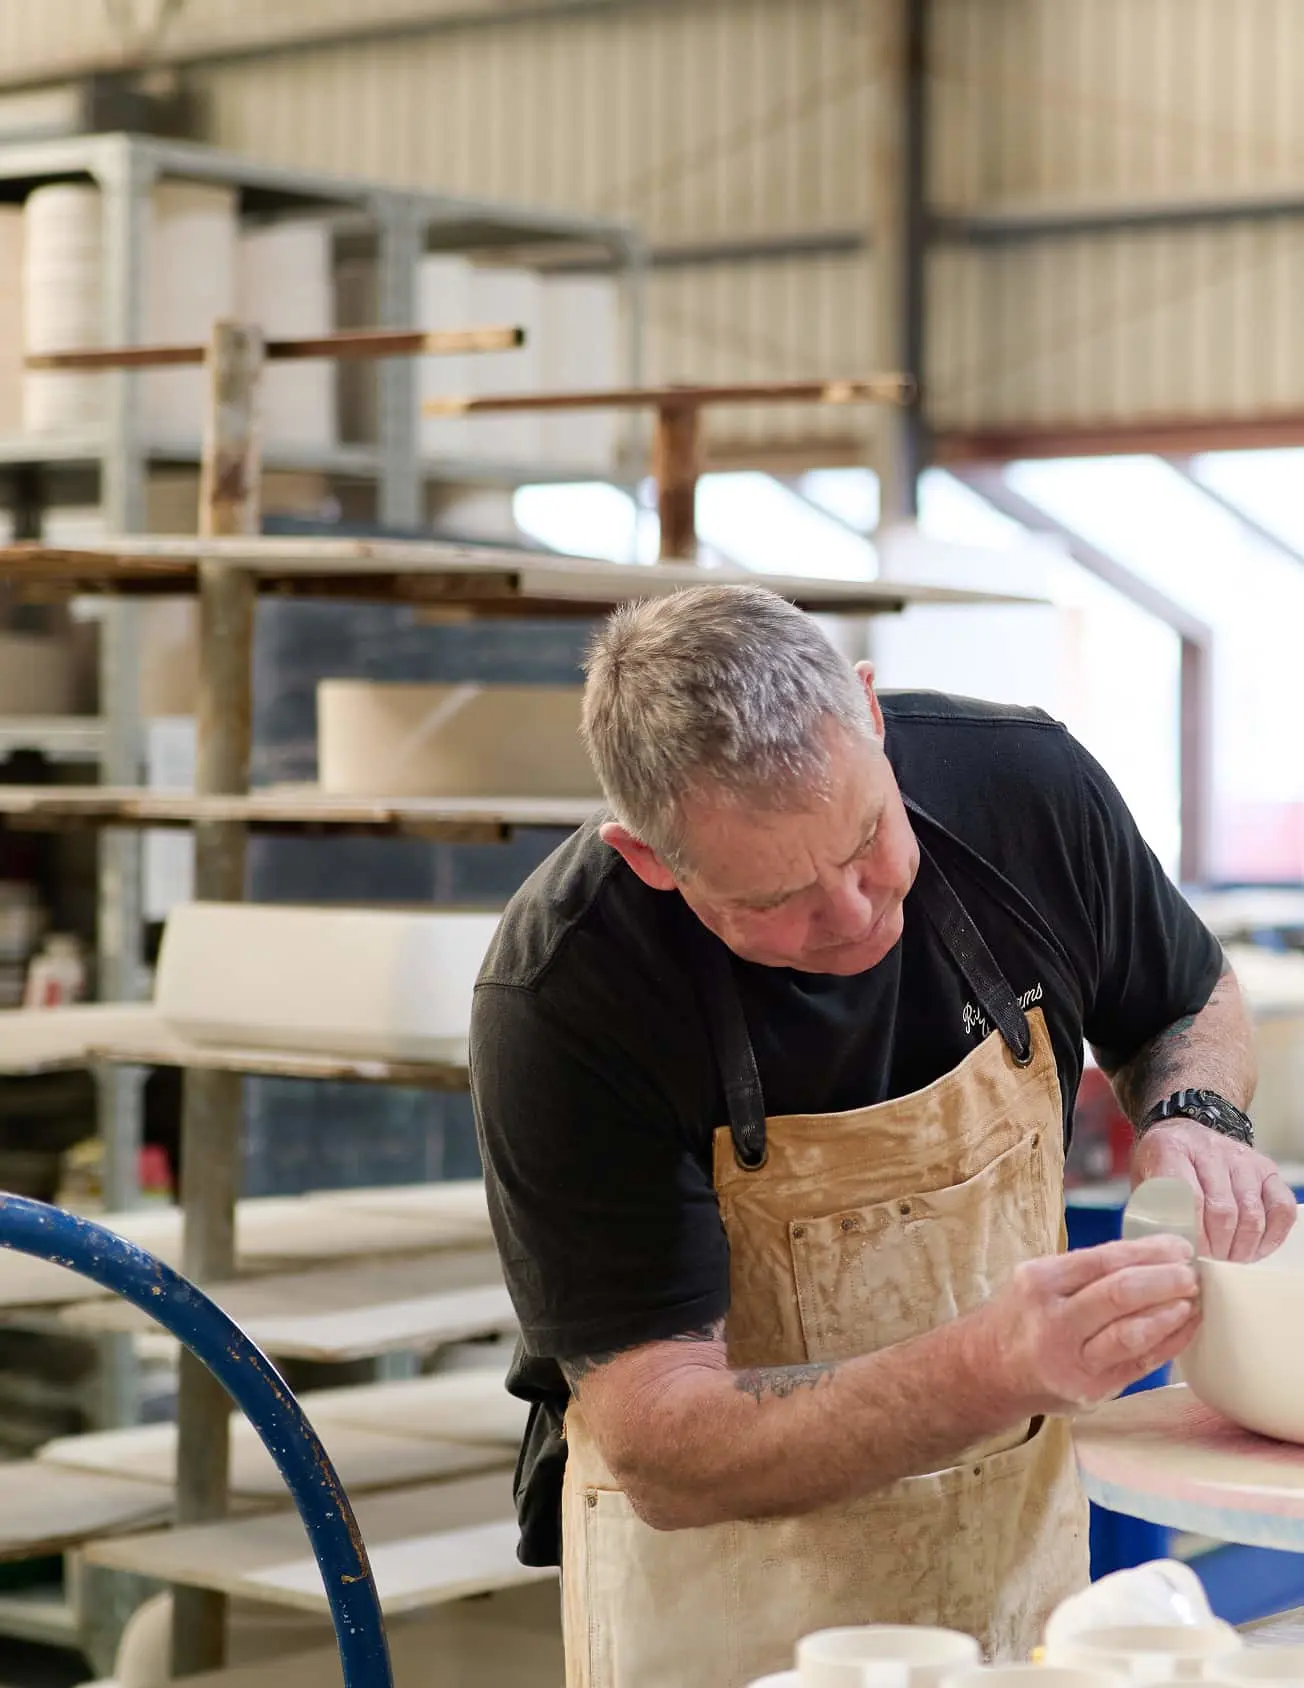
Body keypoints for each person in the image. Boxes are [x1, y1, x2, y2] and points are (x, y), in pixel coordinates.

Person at [470, 585, 1294, 1688]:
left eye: (868, 836)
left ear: (867, 711)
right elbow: (662, 1442)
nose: (855, 913)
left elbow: (1185, 1000)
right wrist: (985, 1365)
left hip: (1003, 1563)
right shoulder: (566, 991)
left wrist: (1196, 1112)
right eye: (778, 895)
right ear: (651, 859)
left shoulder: (1023, 788)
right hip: (723, 1596)